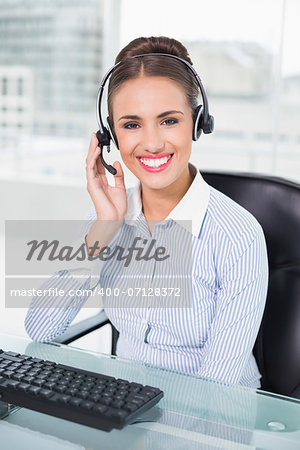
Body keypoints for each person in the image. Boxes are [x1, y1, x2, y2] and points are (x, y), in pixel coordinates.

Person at [25, 36, 268, 388]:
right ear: (111, 135)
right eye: (131, 124)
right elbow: (41, 330)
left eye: (169, 120)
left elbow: (218, 387)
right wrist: (105, 227)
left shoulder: (238, 235)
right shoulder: (108, 216)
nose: (152, 143)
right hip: (129, 408)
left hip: (213, 420)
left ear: (198, 123)